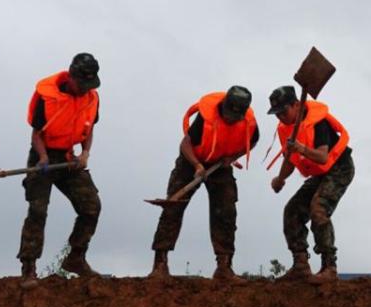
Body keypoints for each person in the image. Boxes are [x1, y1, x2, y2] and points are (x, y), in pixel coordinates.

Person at [150, 86, 259, 282]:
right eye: (228, 113)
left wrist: (232, 157)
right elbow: (185, 144)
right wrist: (197, 165)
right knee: (173, 207)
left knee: (226, 210)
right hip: (191, 160)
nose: (230, 118)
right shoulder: (205, 118)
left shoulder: (250, 124)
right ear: (224, 106)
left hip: (220, 165)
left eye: (235, 116)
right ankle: (160, 264)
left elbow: (253, 141)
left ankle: (224, 267)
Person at [18, 53, 102, 287]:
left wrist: (84, 154)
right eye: (82, 84)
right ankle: (29, 267)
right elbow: (36, 134)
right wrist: (43, 157)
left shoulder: (92, 98)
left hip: (68, 157)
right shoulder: (46, 97)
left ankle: (75, 258)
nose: (85, 89)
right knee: (38, 209)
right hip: (43, 155)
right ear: (71, 76)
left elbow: (89, 129)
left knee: (91, 206)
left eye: (89, 84)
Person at [267, 85, 354, 283]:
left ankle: (329, 267)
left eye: (283, 111)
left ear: (296, 105)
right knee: (292, 211)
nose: (280, 117)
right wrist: (280, 179)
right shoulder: (287, 129)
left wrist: (302, 148)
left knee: (318, 208)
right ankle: (300, 266)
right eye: (276, 113)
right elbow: (290, 158)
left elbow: (322, 157)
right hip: (320, 174)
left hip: (340, 168)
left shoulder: (318, 122)